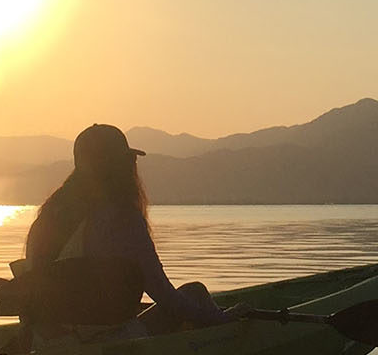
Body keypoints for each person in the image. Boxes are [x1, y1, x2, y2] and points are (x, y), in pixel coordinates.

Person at [19, 123, 233, 339]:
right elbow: (162, 293)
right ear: (118, 166)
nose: (134, 166)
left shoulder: (49, 215)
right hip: (106, 344)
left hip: (47, 342)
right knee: (194, 292)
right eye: (130, 160)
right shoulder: (122, 218)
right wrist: (220, 320)